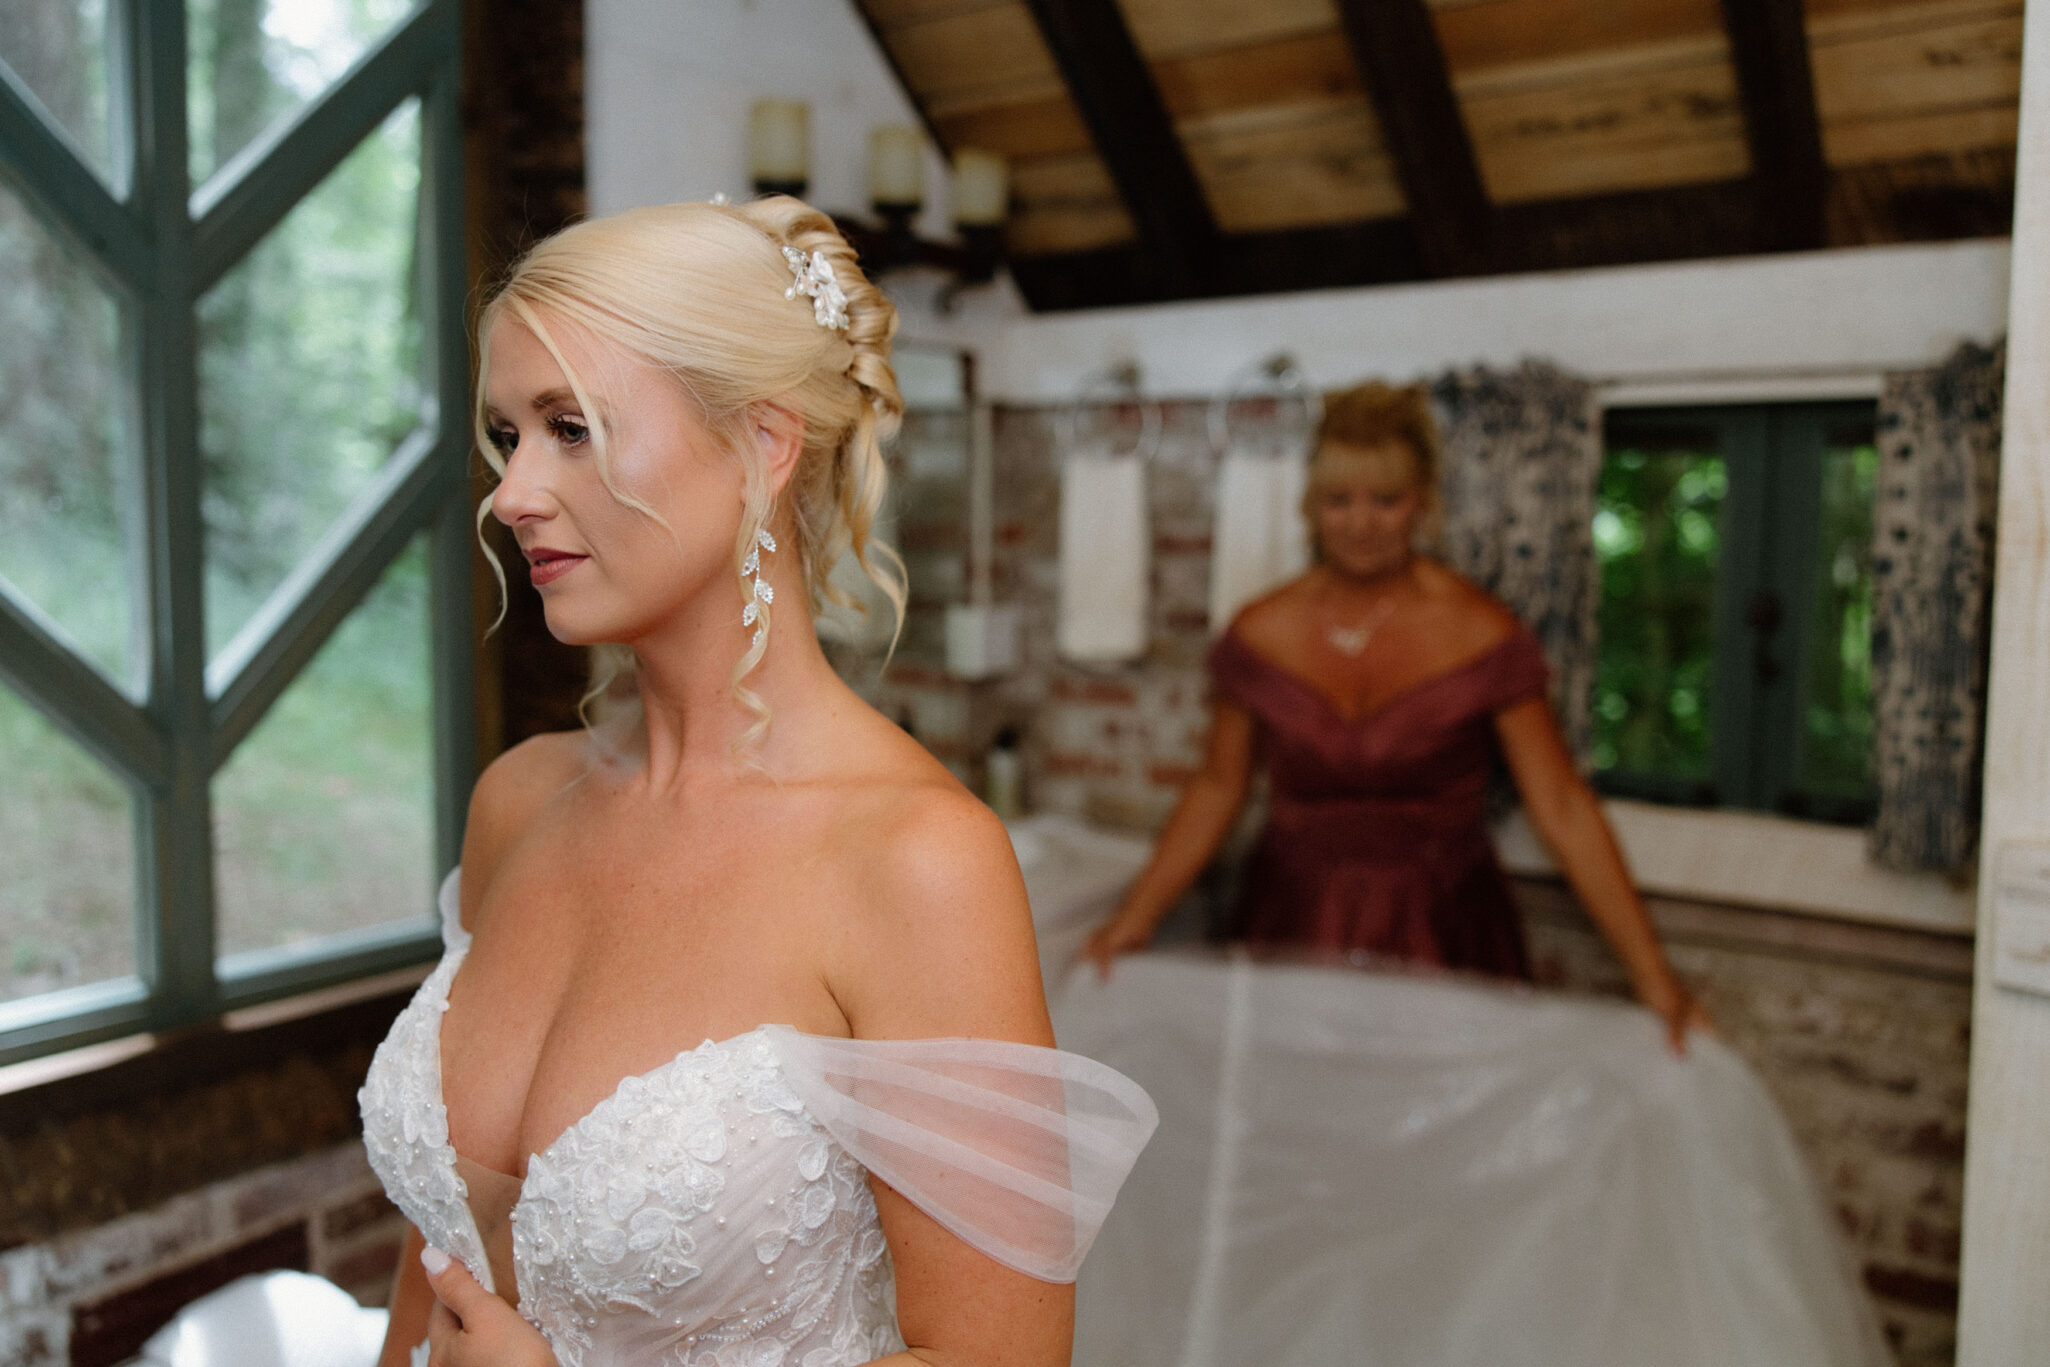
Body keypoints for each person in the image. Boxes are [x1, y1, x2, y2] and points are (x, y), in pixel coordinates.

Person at [360, 198, 1155, 1367]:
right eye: (507, 433)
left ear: (761, 446)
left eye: (569, 427)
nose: (512, 491)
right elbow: (432, 1271)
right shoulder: (518, 804)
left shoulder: (914, 862)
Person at [1082, 382, 1707, 1050]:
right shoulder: (1262, 631)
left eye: (1386, 499)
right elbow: (1217, 787)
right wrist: (1134, 918)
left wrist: (1654, 978)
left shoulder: (1480, 632)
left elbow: (1560, 803)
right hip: (1291, 922)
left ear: (1424, 502)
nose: (1361, 522)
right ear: (1310, 507)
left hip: (1443, 930)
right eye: (1338, 500)